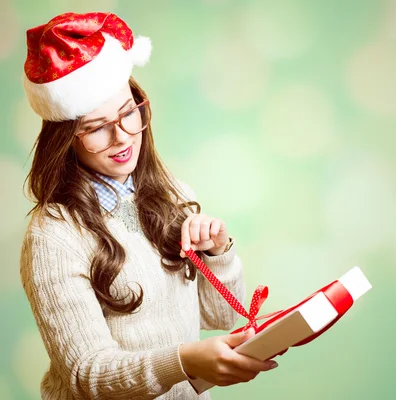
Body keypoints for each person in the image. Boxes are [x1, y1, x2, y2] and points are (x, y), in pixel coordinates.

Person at [19, 11, 277, 399]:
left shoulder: (170, 192)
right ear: (65, 138)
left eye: (128, 114)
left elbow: (223, 315)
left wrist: (219, 251)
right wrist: (184, 362)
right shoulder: (53, 236)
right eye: (95, 127)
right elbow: (85, 375)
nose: (121, 137)